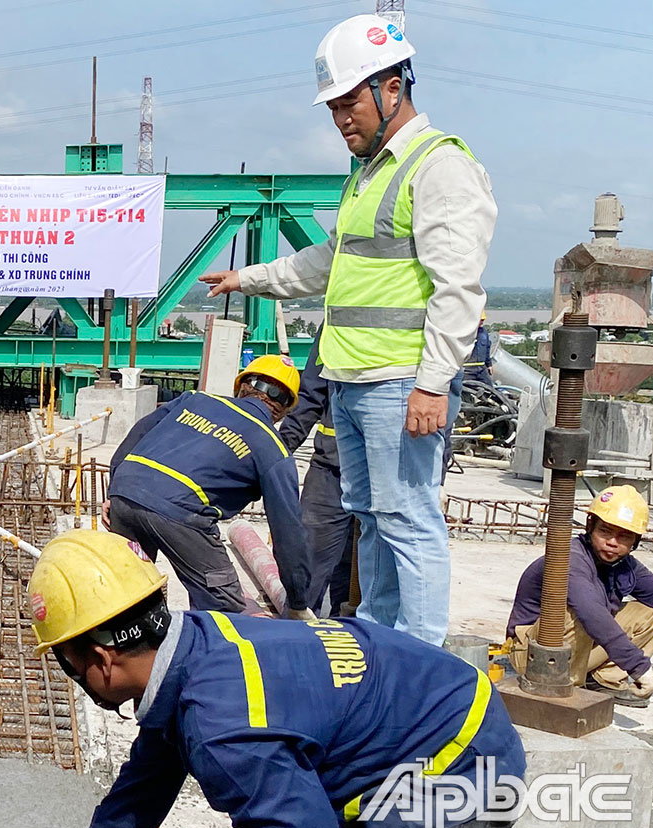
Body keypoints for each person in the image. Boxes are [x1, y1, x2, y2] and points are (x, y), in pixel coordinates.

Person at [202, 15, 496, 646]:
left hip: (401, 383)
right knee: (372, 517)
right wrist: (246, 279)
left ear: (393, 88)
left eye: (349, 103)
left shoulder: (438, 166)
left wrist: (433, 384)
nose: (341, 120)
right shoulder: (366, 176)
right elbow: (325, 263)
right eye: (333, 108)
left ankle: (419, 658)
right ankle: (381, 644)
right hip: (353, 380)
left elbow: (458, 289)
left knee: (410, 522)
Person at [31, 529, 524, 828]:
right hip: (423, 719)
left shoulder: (224, 729)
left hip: (459, 761)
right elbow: (134, 804)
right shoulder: (197, 642)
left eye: (66, 660)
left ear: (100, 660)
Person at [104, 355, 313, 617]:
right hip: (182, 515)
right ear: (283, 409)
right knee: (224, 611)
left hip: (125, 494)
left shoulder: (194, 399)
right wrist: (297, 600)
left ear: (241, 387)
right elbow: (288, 530)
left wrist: (114, 490)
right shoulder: (272, 447)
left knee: (128, 595)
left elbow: (138, 433)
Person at [508, 484, 653, 708]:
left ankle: (603, 680)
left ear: (635, 542)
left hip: (575, 651)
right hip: (531, 655)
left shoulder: (625, 566)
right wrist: (638, 666)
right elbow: (590, 612)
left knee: (652, 612)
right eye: (605, 531)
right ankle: (566, 687)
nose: (612, 542)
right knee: (581, 612)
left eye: (624, 536)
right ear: (590, 526)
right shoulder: (571, 558)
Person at [278, 327, 357, 616]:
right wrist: (279, 449)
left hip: (386, 473)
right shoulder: (337, 319)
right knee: (307, 564)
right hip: (330, 468)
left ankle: (350, 639)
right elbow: (310, 394)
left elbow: (442, 395)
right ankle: (297, 639)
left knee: (360, 576)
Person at [463, 313, 496, 385]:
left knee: (490, 390)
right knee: (465, 391)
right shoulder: (463, 332)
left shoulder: (483, 332)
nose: (482, 321)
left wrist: (489, 365)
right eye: (480, 320)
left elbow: (487, 349)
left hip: (482, 369)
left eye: (483, 320)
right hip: (467, 370)